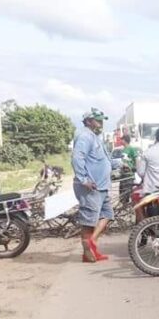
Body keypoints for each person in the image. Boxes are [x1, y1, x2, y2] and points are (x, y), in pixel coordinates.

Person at [72, 108, 113, 263]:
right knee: (88, 221)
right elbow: (77, 158)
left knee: (107, 215)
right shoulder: (84, 136)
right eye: (97, 120)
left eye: (102, 120)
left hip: (101, 186)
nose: (100, 123)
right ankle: (87, 253)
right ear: (88, 121)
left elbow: (101, 159)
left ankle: (92, 243)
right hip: (90, 186)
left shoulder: (95, 136)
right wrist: (83, 179)